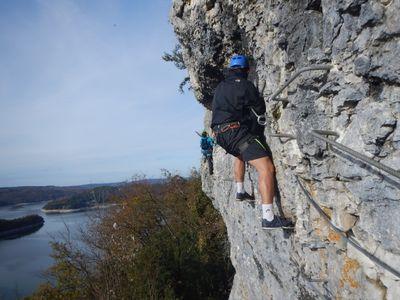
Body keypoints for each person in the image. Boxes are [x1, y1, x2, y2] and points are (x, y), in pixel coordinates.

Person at [211, 54, 293, 229]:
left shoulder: (220, 87)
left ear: (231, 69)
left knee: (240, 153)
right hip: (234, 131)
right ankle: (268, 218)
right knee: (266, 168)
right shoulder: (246, 85)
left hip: (220, 134)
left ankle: (240, 191)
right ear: (246, 70)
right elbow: (259, 109)